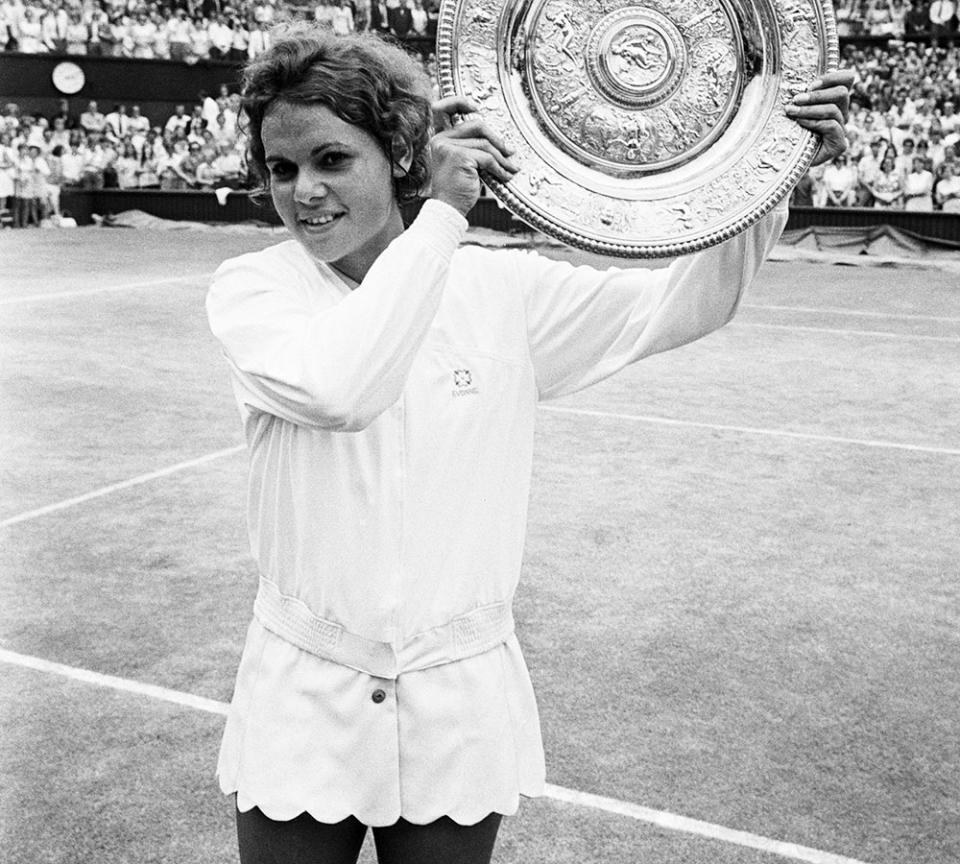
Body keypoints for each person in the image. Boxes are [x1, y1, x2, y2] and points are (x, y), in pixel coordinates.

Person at [205, 24, 851, 864]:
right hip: (303, 685)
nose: (304, 191)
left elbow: (684, 305)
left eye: (332, 159)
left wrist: (764, 170)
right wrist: (440, 219)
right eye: (282, 168)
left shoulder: (501, 289)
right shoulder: (255, 289)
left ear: (400, 156)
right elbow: (343, 388)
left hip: (459, 690)